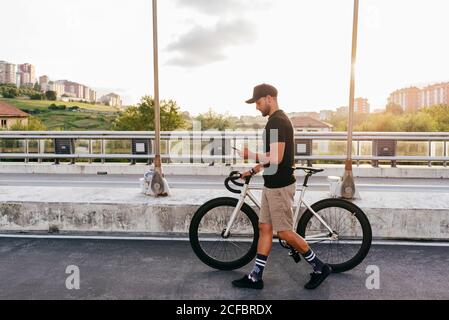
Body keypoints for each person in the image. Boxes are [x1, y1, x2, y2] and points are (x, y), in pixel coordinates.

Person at [232, 83, 332, 290]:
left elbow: (276, 158)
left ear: (269, 98)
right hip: (271, 184)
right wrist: (253, 170)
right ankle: (255, 277)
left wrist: (249, 155)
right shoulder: (275, 121)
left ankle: (319, 266)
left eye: (258, 102)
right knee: (265, 228)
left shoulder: (277, 122)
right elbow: (272, 157)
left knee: (285, 232)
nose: (257, 107)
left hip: (280, 186)